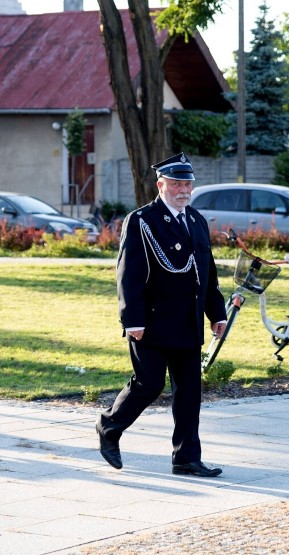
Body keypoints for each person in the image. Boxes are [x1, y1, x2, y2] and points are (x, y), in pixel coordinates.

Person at [95, 153, 227, 476]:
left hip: (187, 322)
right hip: (151, 323)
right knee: (148, 384)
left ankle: (186, 458)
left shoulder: (196, 221)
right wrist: (132, 320)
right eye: (177, 183)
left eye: (188, 184)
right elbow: (128, 274)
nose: (184, 190)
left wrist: (216, 313)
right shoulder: (142, 221)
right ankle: (108, 427)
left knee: (189, 393)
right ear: (161, 185)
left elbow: (206, 273)